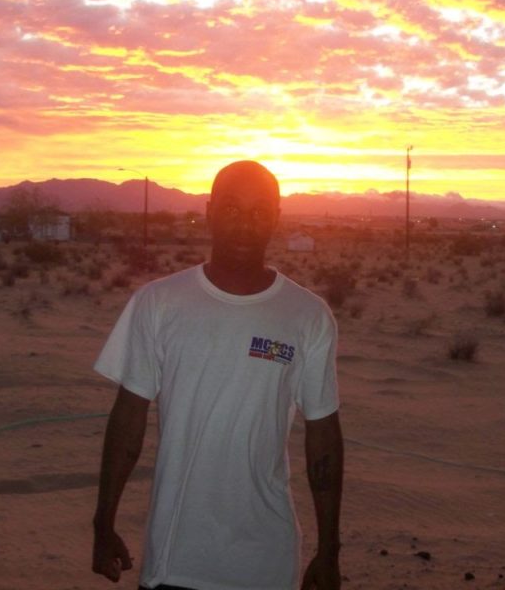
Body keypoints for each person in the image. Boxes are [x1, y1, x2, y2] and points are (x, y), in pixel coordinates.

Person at [92, 160, 343, 590]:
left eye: (259, 211)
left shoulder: (308, 316)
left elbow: (323, 435)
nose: (245, 224)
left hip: (266, 563)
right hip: (175, 559)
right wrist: (103, 523)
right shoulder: (159, 303)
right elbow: (128, 419)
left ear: (276, 218)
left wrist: (329, 550)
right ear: (209, 212)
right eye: (231, 209)